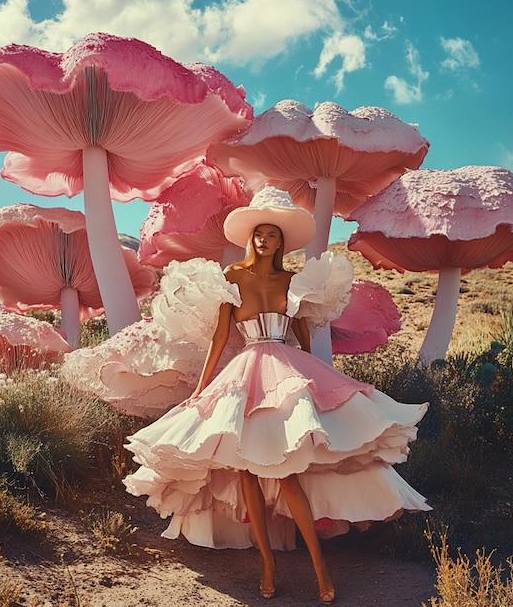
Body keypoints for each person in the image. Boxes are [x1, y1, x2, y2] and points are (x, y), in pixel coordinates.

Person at [124, 186, 430, 604]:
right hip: (246, 371)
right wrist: (200, 390)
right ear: (250, 238)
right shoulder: (231, 279)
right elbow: (219, 337)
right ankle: (267, 564)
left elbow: (304, 342)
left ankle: (320, 568)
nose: (265, 240)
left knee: (285, 475)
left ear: (282, 242)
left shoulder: (293, 282)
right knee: (246, 469)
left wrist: (324, 392)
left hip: (285, 371)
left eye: (273, 235)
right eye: (259, 233)